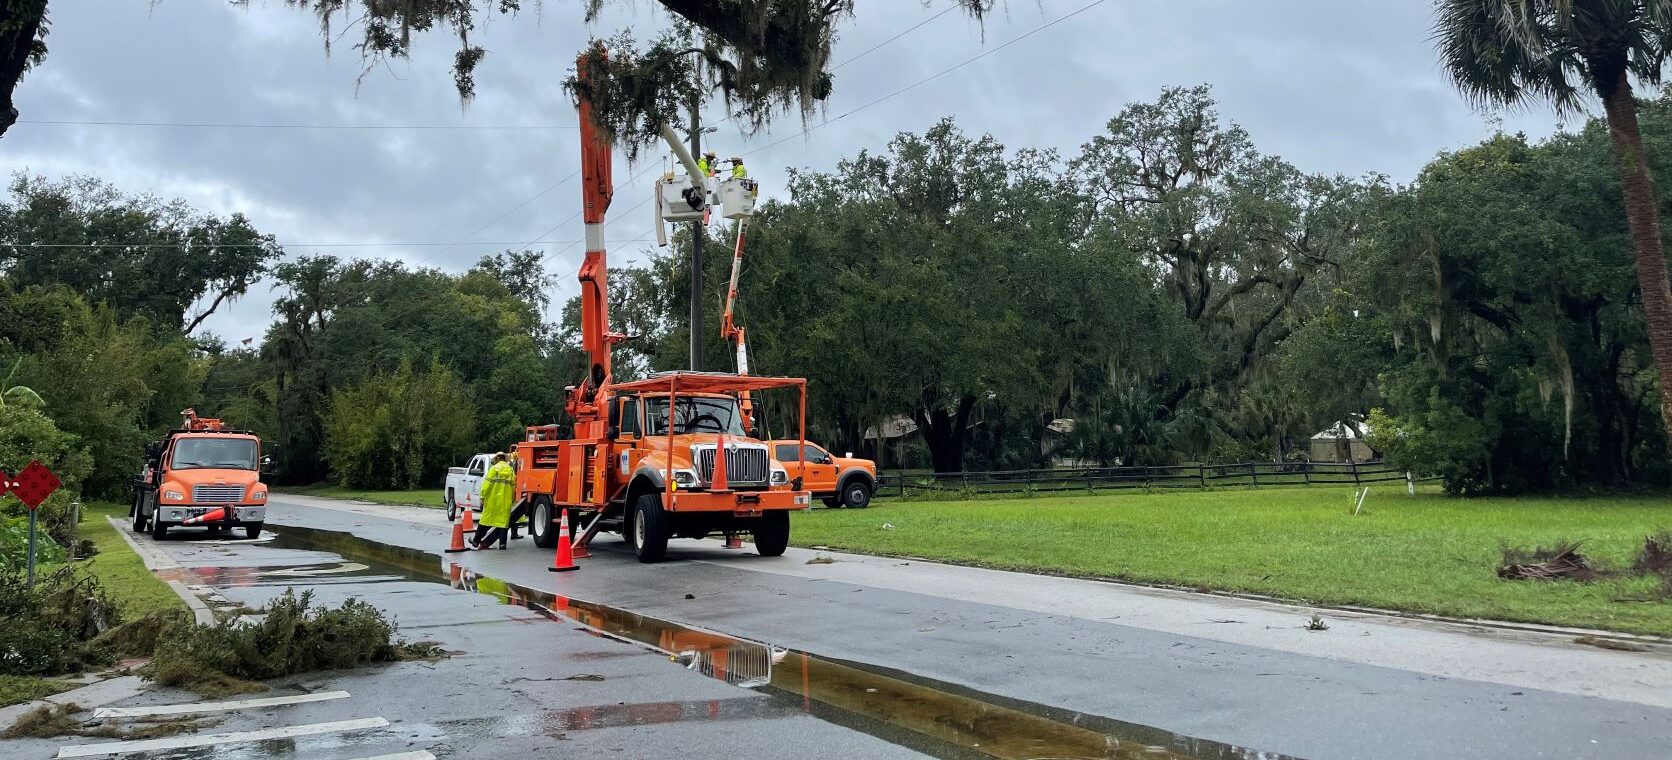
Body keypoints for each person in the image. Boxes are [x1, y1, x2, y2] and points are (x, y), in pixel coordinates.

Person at [471, 452, 516, 550]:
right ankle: (502, 544)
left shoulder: (493, 469)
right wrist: (512, 499)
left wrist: (482, 497)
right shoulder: (511, 471)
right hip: (504, 501)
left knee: (485, 521)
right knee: (503, 523)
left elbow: (486, 485)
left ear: (498, 459)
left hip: (492, 500)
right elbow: (513, 487)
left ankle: (475, 541)